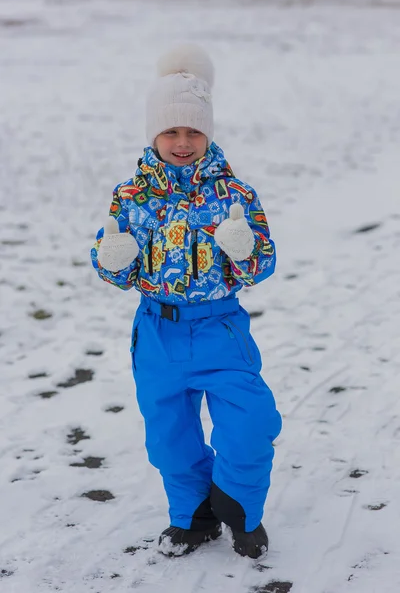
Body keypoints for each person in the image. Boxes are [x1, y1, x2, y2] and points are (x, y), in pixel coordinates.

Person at [91, 44, 282, 559]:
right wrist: (112, 258)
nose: (182, 142)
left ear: (208, 133)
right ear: (153, 133)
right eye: (171, 131)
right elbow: (116, 268)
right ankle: (193, 518)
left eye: (193, 131)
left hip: (221, 330)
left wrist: (245, 251)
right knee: (169, 437)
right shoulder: (130, 196)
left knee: (252, 424)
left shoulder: (235, 194)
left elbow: (261, 264)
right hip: (157, 331)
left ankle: (238, 507)